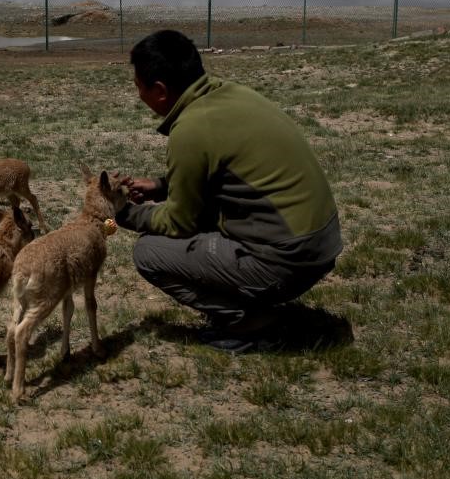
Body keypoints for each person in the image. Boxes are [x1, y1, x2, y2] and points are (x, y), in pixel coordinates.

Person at [115, 30, 342, 348]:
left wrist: (125, 213)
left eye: (138, 86)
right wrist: (161, 187)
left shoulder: (190, 129)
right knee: (205, 219)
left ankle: (252, 323)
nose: (138, 94)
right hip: (322, 244)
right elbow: (224, 175)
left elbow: (179, 223)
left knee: (149, 253)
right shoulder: (232, 95)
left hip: (291, 259)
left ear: (160, 91)